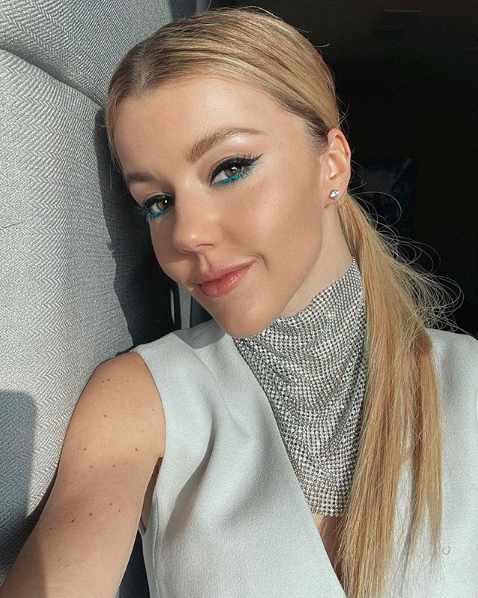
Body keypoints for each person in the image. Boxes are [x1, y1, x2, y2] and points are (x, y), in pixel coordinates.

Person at [1, 7, 477, 598]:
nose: (186, 234)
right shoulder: (144, 398)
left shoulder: (468, 385)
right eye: (156, 202)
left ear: (332, 163)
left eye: (229, 168)